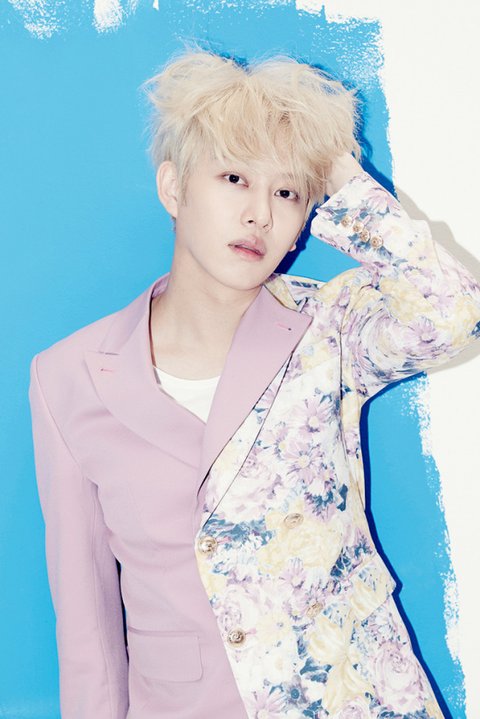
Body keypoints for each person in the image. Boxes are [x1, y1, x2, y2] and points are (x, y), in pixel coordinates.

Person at [28, 48, 480, 719]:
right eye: (234, 177)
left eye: (287, 192)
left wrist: (337, 175)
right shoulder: (67, 375)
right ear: (174, 188)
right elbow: (86, 625)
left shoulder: (328, 328)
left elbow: (452, 314)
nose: (259, 214)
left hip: (349, 699)